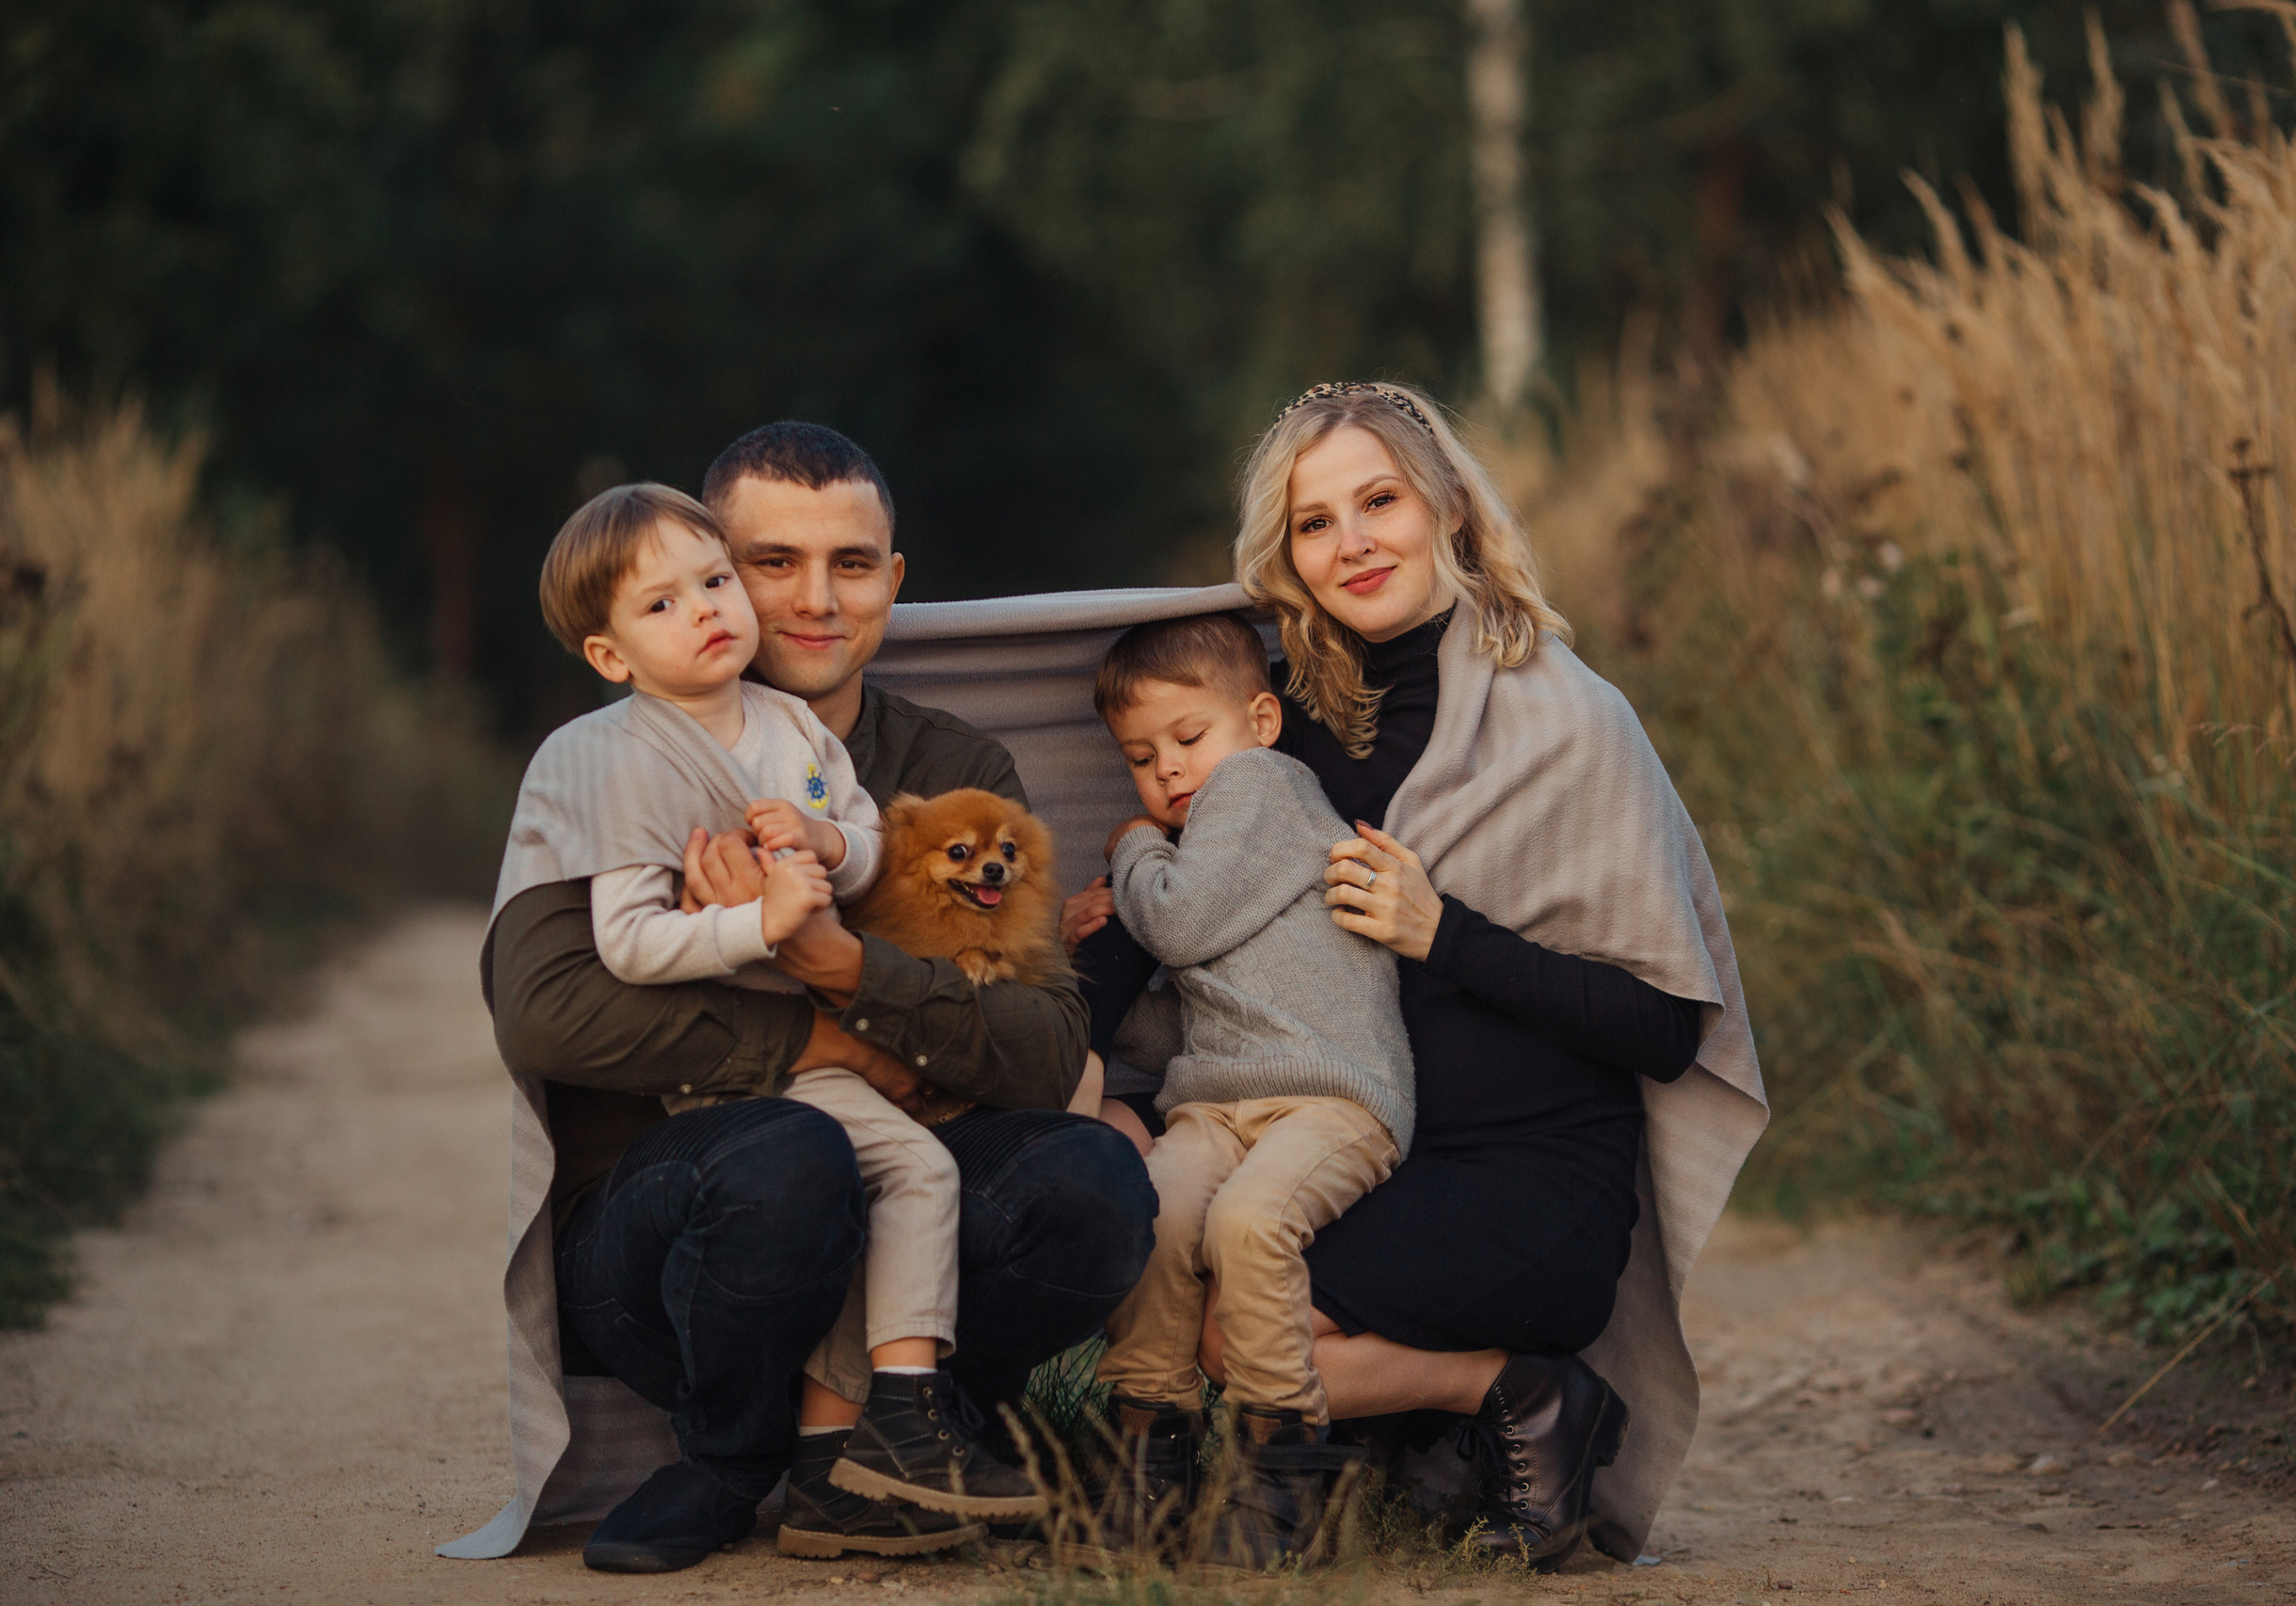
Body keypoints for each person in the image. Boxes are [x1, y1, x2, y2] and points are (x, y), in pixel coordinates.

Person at [443, 423, 1156, 1574]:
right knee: (789, 1156)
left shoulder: (950, 771)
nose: (816, 600)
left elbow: (1041, 1047)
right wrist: (820, 1036)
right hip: (669, 1241)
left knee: (1091, 1182)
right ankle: (733, 1457)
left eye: (852, 564)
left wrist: (838, 962)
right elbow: (545, 1013)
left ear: (894, 581)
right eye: (773, 562)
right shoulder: (610, 761)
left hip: (905, 1206)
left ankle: (904, 1435)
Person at [1140, 381, 1765, 1568]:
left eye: (1379, 501)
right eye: (1314, 523)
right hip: (1359, 1148)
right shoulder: (1282, 724)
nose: (1352, 543)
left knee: (1237, 1333)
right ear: (1285, 557)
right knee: (1194, 1266)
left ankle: (1524, 1390)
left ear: (1451, 510)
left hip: (1531, 1176)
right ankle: (1415, 1437)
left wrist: (1444, 934)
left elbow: (1664, 1027)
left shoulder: (1568, 722)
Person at [1072, 612, 1413, 1566]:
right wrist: (1078, 955)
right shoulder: (1218, 852)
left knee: (1248, 1222)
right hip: (1221, 1100)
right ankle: (1149, 1452)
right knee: (1154, 1210)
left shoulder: (1263, 786)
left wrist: (1130, 847)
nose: (1169, 770)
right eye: (1141, 759)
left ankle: (1282, 1464)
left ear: (1260, 722)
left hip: (1334, 1098)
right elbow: (1180, 1029)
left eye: (1189, 737)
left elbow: (1175, 926)